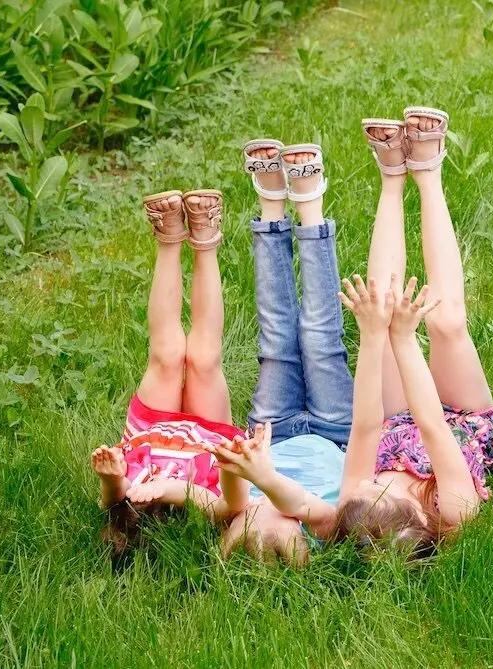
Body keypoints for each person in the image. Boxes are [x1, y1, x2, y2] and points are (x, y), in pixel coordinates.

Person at [331, 107, 493, 556]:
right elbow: (434, 426)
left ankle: (390, 179)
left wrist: (374, 336)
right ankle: (428, 173)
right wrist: (405, 340)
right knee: (446, 321)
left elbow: (365, 427)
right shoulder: (453, 511)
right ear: (420, 515)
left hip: (394, 417)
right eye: (386, 485)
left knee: (380, 312)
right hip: (460, 420)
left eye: (372, 484)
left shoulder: (353, 502)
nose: (380, 479)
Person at [204, 138, 352, 565]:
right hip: (336, 432)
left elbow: (222, 486)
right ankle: (310, 209)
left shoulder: (237, 509)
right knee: (322, 339)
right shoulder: (324, 527)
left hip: (272, 431)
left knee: (276, 337)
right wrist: (267, 482)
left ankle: (271, 205)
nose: (267, 505)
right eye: (280, 515)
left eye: (254, 514)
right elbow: (301, 504)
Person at [90, 187, 248, 556]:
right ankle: (206, 240)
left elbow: (107, 500)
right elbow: (231, 506)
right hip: (208, 437)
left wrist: (113, 478)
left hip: (150, 431)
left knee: (167, 354)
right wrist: (172, 491)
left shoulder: (123, 503)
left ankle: (169, 237)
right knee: (204, 358)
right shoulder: (205, 511)